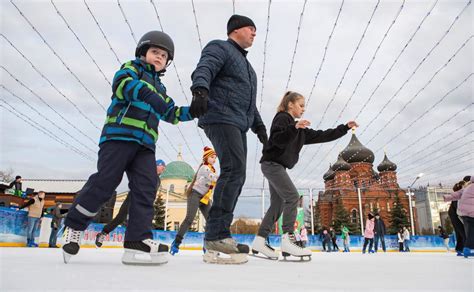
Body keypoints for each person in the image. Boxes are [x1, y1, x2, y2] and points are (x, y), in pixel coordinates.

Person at [62, 30, 194, 265]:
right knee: (106, 182)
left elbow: (172, 113)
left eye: (164, 56)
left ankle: (137, 240)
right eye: (155, 52)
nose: (159, 57)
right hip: (119, 137)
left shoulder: (161, 90)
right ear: (143, 53)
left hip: (145, 145)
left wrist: (195, 111)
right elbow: (122, 85)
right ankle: (74, 226)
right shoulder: (131, 69)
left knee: (146, 187)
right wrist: (145, 91)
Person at [189, 14, 267, 264]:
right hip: (220, 116)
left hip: (238, 122)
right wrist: (200, 89)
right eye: (250, 28)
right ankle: (216, 234)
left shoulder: (249, 69)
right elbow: (205, 68)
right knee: (234, 170)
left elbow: (248, 104)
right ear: (236, 30)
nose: (255, 33)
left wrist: (261, 128)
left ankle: (217, 234)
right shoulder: (219, 47)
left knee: (238, 173)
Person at [250, 91, 357, 260]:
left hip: (276, 166)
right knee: (292, 196)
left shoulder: (299, 130)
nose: (303, 109)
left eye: (304, 106)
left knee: (277, 205)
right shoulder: (282, 118)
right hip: (272, 164)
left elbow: (322, 134)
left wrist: (344, 128)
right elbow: (277, 139)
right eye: (301, 105)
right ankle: (288, 239)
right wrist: (294, 127)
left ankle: (260, 240)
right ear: (290, 104)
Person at [95, 159, 167, 248]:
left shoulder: (157, 180)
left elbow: (152, 193)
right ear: (156, 165)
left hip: (143, 202)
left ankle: (137, 241)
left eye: (164, 167)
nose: (164, 168)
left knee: (142, 220)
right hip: (132, 197)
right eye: (162, 166)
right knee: (120, 218)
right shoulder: (146, 173)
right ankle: (103, 234)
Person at [170, 147, 218, 255]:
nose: (214, 159)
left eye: (215, 158)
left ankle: (207, 246)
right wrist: (226, 176)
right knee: (189, 219)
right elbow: (212, 177)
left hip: (204, 197)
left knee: (211, 221)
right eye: (212, 157)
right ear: (206, 157)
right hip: (195, 195)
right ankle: (176, 243)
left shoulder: (212, 169)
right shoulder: (204, 168)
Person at [444, 175, 474, 258]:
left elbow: (456, 194)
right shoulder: (466, 187)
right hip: (462, 212)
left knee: (463, 231)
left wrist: (447, 197)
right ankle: (466, 248)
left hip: (460, 212)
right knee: (465, 232)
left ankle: (462, 248)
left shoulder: (466, 187)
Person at [449, 179, 467, 256]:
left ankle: (460, 249)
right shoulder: (459, 195)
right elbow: (458, 207)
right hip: (456, 215)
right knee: (463, 232)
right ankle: (466, 249)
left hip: (456, 214)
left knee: (460, 232)